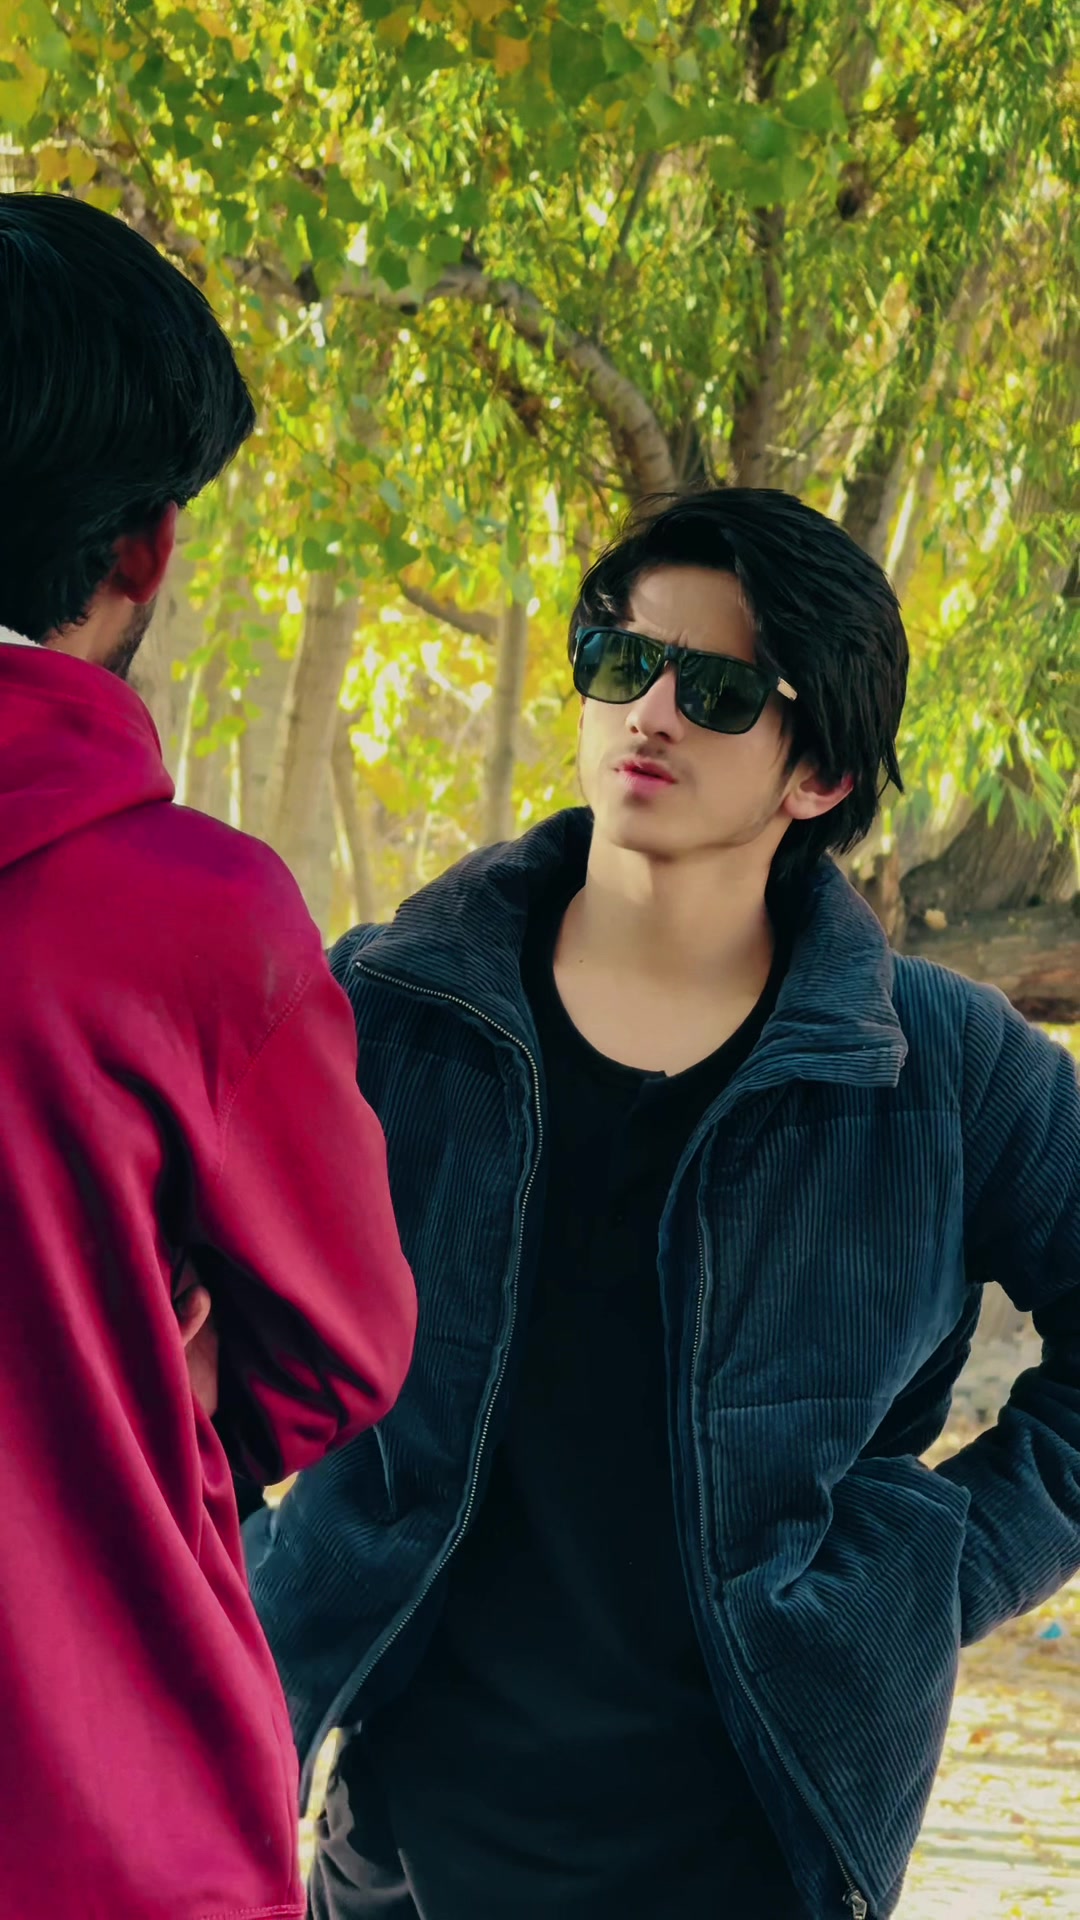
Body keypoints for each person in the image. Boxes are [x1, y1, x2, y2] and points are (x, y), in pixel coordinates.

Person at [246, 487, 1080, 1920]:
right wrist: (275, 1561)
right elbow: (182, 1322)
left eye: (719, 690)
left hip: (749, 1848)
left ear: (819, 774)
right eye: (623, 660)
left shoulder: (941, 1068)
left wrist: (924, 1579)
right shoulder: (391, 1013)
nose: (649, 713)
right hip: (405, 1846)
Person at [0, 192, 417, 1920]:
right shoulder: (198, 926)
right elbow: (341, 1346)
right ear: (148, 551)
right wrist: (129, 1368)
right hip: (111, 1811)